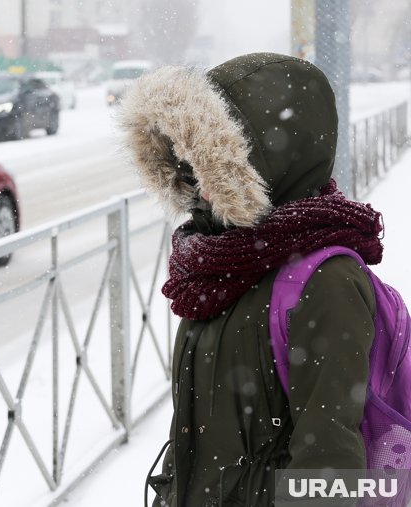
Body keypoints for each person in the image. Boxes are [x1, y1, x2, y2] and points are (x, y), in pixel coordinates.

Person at [119, 53, 383, 506]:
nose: (199, 186)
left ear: (273, 163)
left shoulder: (327, 282)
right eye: (189, 164)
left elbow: (330, 471)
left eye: (214, 164)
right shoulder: (217, 265)